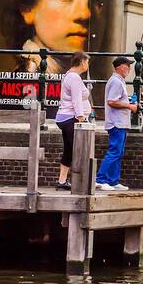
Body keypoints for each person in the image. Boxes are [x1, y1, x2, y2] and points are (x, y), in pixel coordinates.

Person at [96, 56, 138, 192]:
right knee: (114, 152)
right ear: (120, 67)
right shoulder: (116, 82)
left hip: (120, 123)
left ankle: (113, 181)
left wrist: (129, 101)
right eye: (127, 65)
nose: (130, 68)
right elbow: (111, 101)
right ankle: (100, 179)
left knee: (118, 152)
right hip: (117, 123)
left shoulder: (118, 81)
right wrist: (130, 106)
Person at [54, 52, 92, 189]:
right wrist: (81, 118)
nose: (87, 65)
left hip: (65, 117)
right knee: (78, 150)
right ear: (82, 62)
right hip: (71, 118)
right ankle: (80, 183)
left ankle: (62, 181)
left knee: (69, 150)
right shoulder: (75, 78)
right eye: (87, 62)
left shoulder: (68, 75)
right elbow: (76, 99)